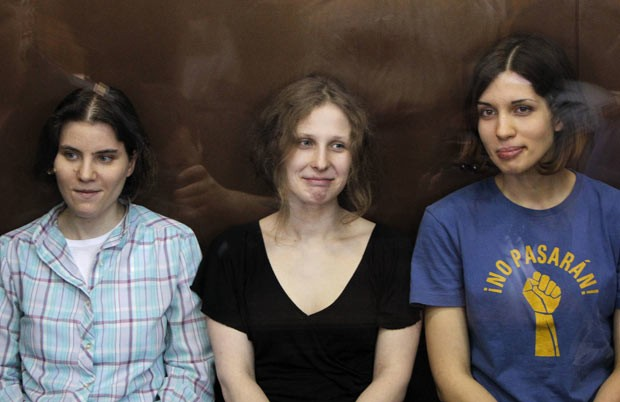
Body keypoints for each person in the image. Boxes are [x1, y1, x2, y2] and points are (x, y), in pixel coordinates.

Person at [410, 33, 620, 401]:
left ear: (559, 116)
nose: (502, 130)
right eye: (487, 112)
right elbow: (450, 376)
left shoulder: (612, 212)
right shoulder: (448, 221)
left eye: (522, 109)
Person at [192, 74, 421, 401]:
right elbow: (234, 380)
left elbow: (393, 379)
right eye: (305, 142)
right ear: (278, 149)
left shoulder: (392, 251)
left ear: (354, 157)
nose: (321, 162)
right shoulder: (232, 253)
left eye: (338, 146)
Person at [0, 84, 214, 401]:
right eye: (71, 154)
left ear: (130, 163)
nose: (86, 174)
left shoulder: (173, 245)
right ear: (53, 160)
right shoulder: (14, 253)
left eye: (105, 158)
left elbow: (192, 371)